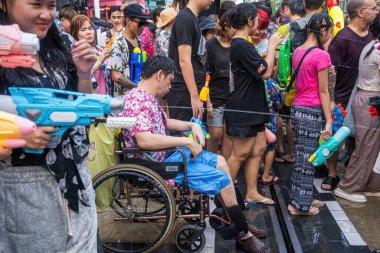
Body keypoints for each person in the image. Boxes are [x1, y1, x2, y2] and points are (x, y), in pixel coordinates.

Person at [121, 55, 271, 253]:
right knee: (222, 179)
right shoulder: (138, 99)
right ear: (159, 75)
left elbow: (163, 123)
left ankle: (239, 220)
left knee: (220, 161)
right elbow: (144, 140)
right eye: (170, 81)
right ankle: (244, 233)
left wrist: (192, 125)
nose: (170, 87)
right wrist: (186, 141)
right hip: (157, 164)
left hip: (164, 156)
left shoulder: (144, 97)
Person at [0, 0, 98, 252]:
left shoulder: (61, 44)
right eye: (35, 4)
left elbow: (80, 106)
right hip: (23, 187)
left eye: (51, 5)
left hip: (76, 178)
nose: (46, 14)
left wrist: (84, 73)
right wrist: (18, 137)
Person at [225, 3, 282, 207]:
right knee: (239, 153)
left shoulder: (242, 44)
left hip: (253, 107)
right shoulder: (242, 45)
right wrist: (272, 45)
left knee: (258, 150)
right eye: (257, 19)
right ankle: (225, 199)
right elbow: (265, 73)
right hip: (243, 108)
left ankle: (251, 193)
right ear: (250, 21)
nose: (258, 23)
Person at [324, 0, 378, 191]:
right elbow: (331, 71)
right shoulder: (342, 38)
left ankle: (353, 173)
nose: (377, 11)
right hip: (341, 96)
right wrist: (330, 100)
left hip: (362, 96)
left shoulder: (371, 36)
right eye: (374, 8)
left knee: (358, 137)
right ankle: (331, 173)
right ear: (361, 12)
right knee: (337, 135)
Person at [288, 13, 333, 215]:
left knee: (301, 158)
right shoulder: (322, 55)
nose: (329, 37)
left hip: (297, 108)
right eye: (329, 33)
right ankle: (300, 206)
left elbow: (305, 79)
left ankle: (300, 198)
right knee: (308, 161)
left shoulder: (298, 50)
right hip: (311, 110)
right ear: (322, 31)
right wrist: (329, 121)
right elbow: (323, 92)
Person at [334, 14, 380, 203]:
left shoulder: (371, 45)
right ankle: (348, 187)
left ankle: (367, 183)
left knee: (369, 145)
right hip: (372, 103)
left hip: (365, 99)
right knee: (367, 146)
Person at [249, 12, 282, 186]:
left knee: (259, 143)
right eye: (256, 26)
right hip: (259, 108)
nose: (257, 31)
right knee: (266, 143)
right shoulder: (244, 44)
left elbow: (273, 72)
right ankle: (263, 173)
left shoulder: (269, 44)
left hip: (258, 107)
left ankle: (257, 173)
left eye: (261, 28)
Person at [167, 0, 213, 121]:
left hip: (190, 91)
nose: (213, 1)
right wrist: (194, 96)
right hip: (183, 93)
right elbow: (184, 60)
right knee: (185, 136)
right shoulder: (185, 19)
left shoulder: (192, 18)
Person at [275, 0, 306, 164]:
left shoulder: (283, 29)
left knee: (282, 115)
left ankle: (280, 148)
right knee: (295, 118)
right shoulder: (309, 27)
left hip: (286, 80)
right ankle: (294, 153)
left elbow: (278, 58)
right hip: (305, 80)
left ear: (289, 10)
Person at [206, 10, 235, 159]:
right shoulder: (211, 45)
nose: (236, 30)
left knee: (228, 137)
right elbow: (206, 74)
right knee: (215, 135)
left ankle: (226, 170)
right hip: (216, 96)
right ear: (225, 26)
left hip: (233, 98)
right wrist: (208, 102)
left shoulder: (237, 44)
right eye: (233, 26)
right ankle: (209, 168)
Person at [107, 3, 150, 98]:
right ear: (128, 21)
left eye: (145, 24)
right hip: (124, 100)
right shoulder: (118, 43)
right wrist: (138, 87)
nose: (143, 27)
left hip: (137, 98)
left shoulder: (137, 40)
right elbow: (116, 76)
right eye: (140, 23)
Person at [71, 15, 111, 95]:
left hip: (106, 96)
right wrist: (99, 61)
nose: (89, 32)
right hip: (91, 98)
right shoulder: (76, 53)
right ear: (75, 33)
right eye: (83, 30)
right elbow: (83, 74)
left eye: (90, 28)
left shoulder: (100, 49)